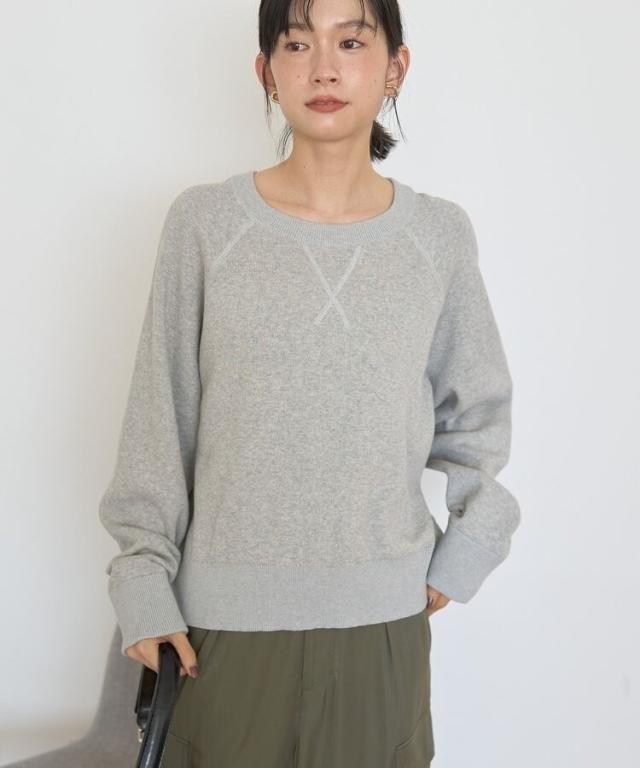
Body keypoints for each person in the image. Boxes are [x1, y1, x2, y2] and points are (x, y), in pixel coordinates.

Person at [98, 0, 521, 765]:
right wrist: (141, 585)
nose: (324, 68)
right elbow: (160, 422)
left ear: (395, 66)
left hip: (381, 632)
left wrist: (468, 549)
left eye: (350, 41)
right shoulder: (205, 225)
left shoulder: (437, 237)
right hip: (220, 635)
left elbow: (479, 417)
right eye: (297, 45)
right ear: (266, 71)